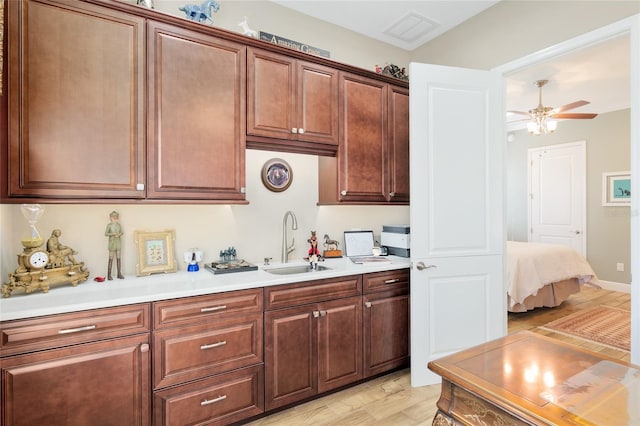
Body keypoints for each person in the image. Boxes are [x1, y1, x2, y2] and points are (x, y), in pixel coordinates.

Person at [105, 211, 124, 280]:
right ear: (111, 218)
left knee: (119, 258)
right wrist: (113, 234)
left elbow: (122, 232)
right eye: (113, 217)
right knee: (111, 258)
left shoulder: (119, 225)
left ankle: (119, 273)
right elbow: (106, 233)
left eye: (116, 217)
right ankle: (109, 275)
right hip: (112, 243)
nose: (115, 219)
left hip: (118, 243)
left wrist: (118, 234)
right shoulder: (109, 225)